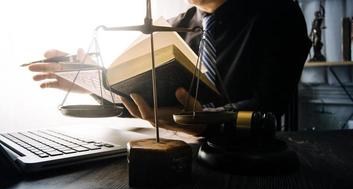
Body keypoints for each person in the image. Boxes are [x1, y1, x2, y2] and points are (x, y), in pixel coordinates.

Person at [27, 0, 311, 135]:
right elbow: (143, 103)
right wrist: (94, 82)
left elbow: (269, 107)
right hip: (179, 155)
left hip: (250, 164)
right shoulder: (172, 28)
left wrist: (207, 121)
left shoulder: (278, 13)